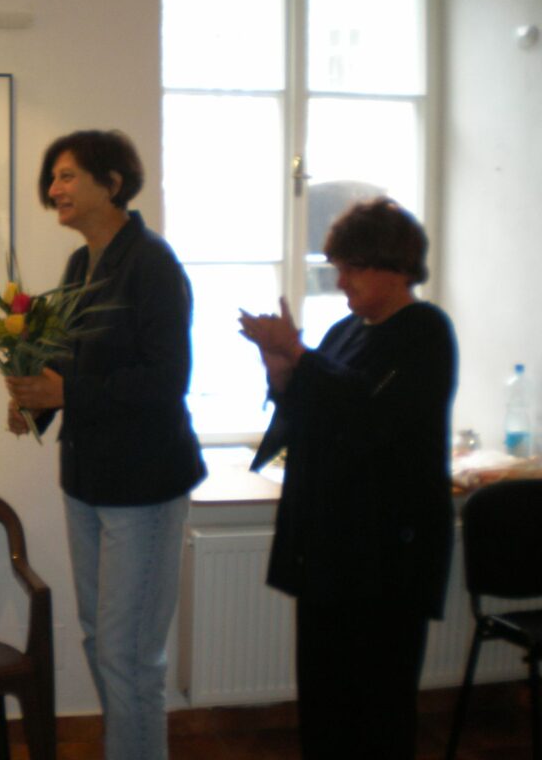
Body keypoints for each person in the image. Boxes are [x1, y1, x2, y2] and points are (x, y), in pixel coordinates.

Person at [6, 130, 206, 760]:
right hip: (87, 480)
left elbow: (167, 380)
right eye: (53, 177)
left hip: (143, 486)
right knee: (101, 641)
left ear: (112, 184)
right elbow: (65, 364)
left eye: (67, 175)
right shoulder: (79, 265)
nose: (54, 189)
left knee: (130, 654)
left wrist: (65, 392)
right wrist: (33, 404)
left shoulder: (152, 263)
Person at [239, 197, 458, 759]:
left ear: (397, 265)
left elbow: (371, 417)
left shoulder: (425, 332)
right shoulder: (344, 331)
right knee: (323, 705)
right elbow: (313, 417)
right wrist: (281, 372)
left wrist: (298, 353)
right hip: (330, 553)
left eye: (352, 268)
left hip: (386, 560)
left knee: (378, 710)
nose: (340, 282)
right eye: (337, 267)